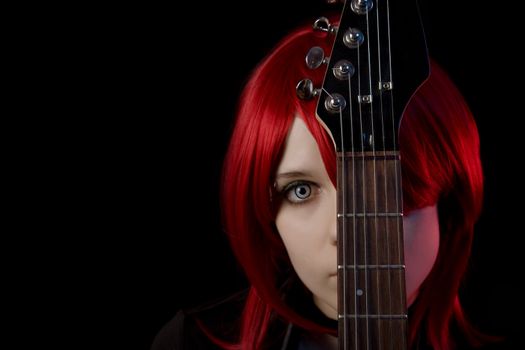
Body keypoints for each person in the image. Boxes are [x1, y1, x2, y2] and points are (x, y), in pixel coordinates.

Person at [151, 17, 493, 350]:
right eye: (301, 190)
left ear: (450, 194)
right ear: (268, 214)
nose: (346, 232)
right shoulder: (188, 342)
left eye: (384, 183)